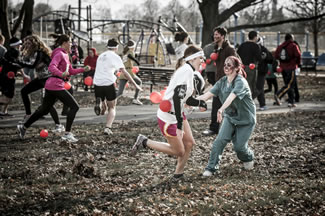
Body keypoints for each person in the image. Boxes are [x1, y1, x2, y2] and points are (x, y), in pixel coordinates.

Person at [130, 45, 208, 182]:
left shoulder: (189, 70)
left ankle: (178, 174)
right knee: (179, 151)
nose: (203, 61)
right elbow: (178, 99)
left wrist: (200, 103)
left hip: (177, 113)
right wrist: (179, 126)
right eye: (201, 58)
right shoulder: (186, 72)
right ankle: (144, 142)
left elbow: (185, 98)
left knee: (189, 143)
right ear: (193, 58)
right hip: (168, 118)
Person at [17, 34, 91, 142]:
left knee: (44, 110)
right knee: (75, 107)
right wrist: (61, 74)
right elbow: (52, 67)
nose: (71, 44)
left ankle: (23, 127)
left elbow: (70, 71)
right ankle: (67, 134)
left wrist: (83, 70)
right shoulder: (59, 54)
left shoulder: (65, 55)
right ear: (64, 43)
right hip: (55, 85)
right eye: (70, 42)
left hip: (51, 85)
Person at [197, 56, 256, 176]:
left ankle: (248, 157)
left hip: (246, 119)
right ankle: (211, 168)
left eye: (229, 65)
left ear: (237, 68)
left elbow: (232, 96)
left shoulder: (241, 82)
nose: (226, 67)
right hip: (230, 117)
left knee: (239, 147)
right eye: (225, 65)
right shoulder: (222, 81)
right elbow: (207, 95)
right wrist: (189, 101)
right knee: (219, 141)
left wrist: (221, 109)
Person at [93, 38, 142, 135]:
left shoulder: (101, 56)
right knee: (112, 107)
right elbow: (126, 73)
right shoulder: (115, 57)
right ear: (116, 48)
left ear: (107, 46)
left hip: (97, 83)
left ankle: (100, 102)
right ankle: (108, 128)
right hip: (108, 83)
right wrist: (135, 84)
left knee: (104, 104)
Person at [18, 35, 64, 132]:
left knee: (47, 104)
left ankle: (58, 125)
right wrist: (20, 53)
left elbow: (32, 65)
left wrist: (20, 63)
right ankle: (28, 114)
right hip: (41, 78)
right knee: (24, 91)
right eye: (26, 43)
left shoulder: (40, 53)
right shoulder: (32, 53)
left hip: (49, 79)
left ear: (35, 43)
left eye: (29, 43)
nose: (27, 45)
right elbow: (23, 61)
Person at [202, 27, 237, 136]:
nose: (215, 36)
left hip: (228, 81)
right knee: (216, 105)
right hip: (219, 80)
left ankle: (234, 129)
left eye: (217, 34)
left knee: (230, 106)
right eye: (214, 34)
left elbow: (235, 64)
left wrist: (230, 78)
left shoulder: (229, 49)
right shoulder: (216, 48)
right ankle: (214, 128)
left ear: (222, 36)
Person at [274, 33, 301, 107]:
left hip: (283, 68)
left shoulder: (280, 46)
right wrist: (298, 64)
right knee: (290, 85)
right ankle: (278, 95)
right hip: (291, 67)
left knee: (288, 85)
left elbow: (276, 56)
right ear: (291, 38)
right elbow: (298, 55)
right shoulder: (293, 45)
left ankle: (291, 102)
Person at [0, 37, 23, 116]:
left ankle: (4, 111)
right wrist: (23, 74)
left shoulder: (8, 52)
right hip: (8, 77)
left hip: (5, 75)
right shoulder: (16, 52)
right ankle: (3, 111)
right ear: (16, 45)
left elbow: (8, 64)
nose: (21, 46)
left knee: (7, 94)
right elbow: (17, 65)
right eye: (20, 44)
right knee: (9, 95)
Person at [116, 40, 143, 105]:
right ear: (133, 46)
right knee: (139, 82)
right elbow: (130, 56)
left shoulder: (125, 52)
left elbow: (128, 57)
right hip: (128, 72)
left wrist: (134, 57)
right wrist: (136, 61)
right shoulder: (131, 51)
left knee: (120, 92)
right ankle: (135, 99)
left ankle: (109, 100)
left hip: (123, 72)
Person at [237, 30, 262, 99]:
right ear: (255, 37)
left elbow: (237, 55)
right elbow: (259, 58)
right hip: (251, 68)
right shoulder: (256, 46)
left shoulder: (242, 45)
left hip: (242, 67)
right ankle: (248, 100)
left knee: (243, 84)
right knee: (251, 85)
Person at [255, 37, 273, 111]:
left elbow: (270, 59)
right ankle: (262, 104)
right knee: (259, 88)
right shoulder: (263, 49)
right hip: (260, 72)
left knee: (255, 88)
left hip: (253, 71)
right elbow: (271, 60)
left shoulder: (249, 47)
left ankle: (261, 104)